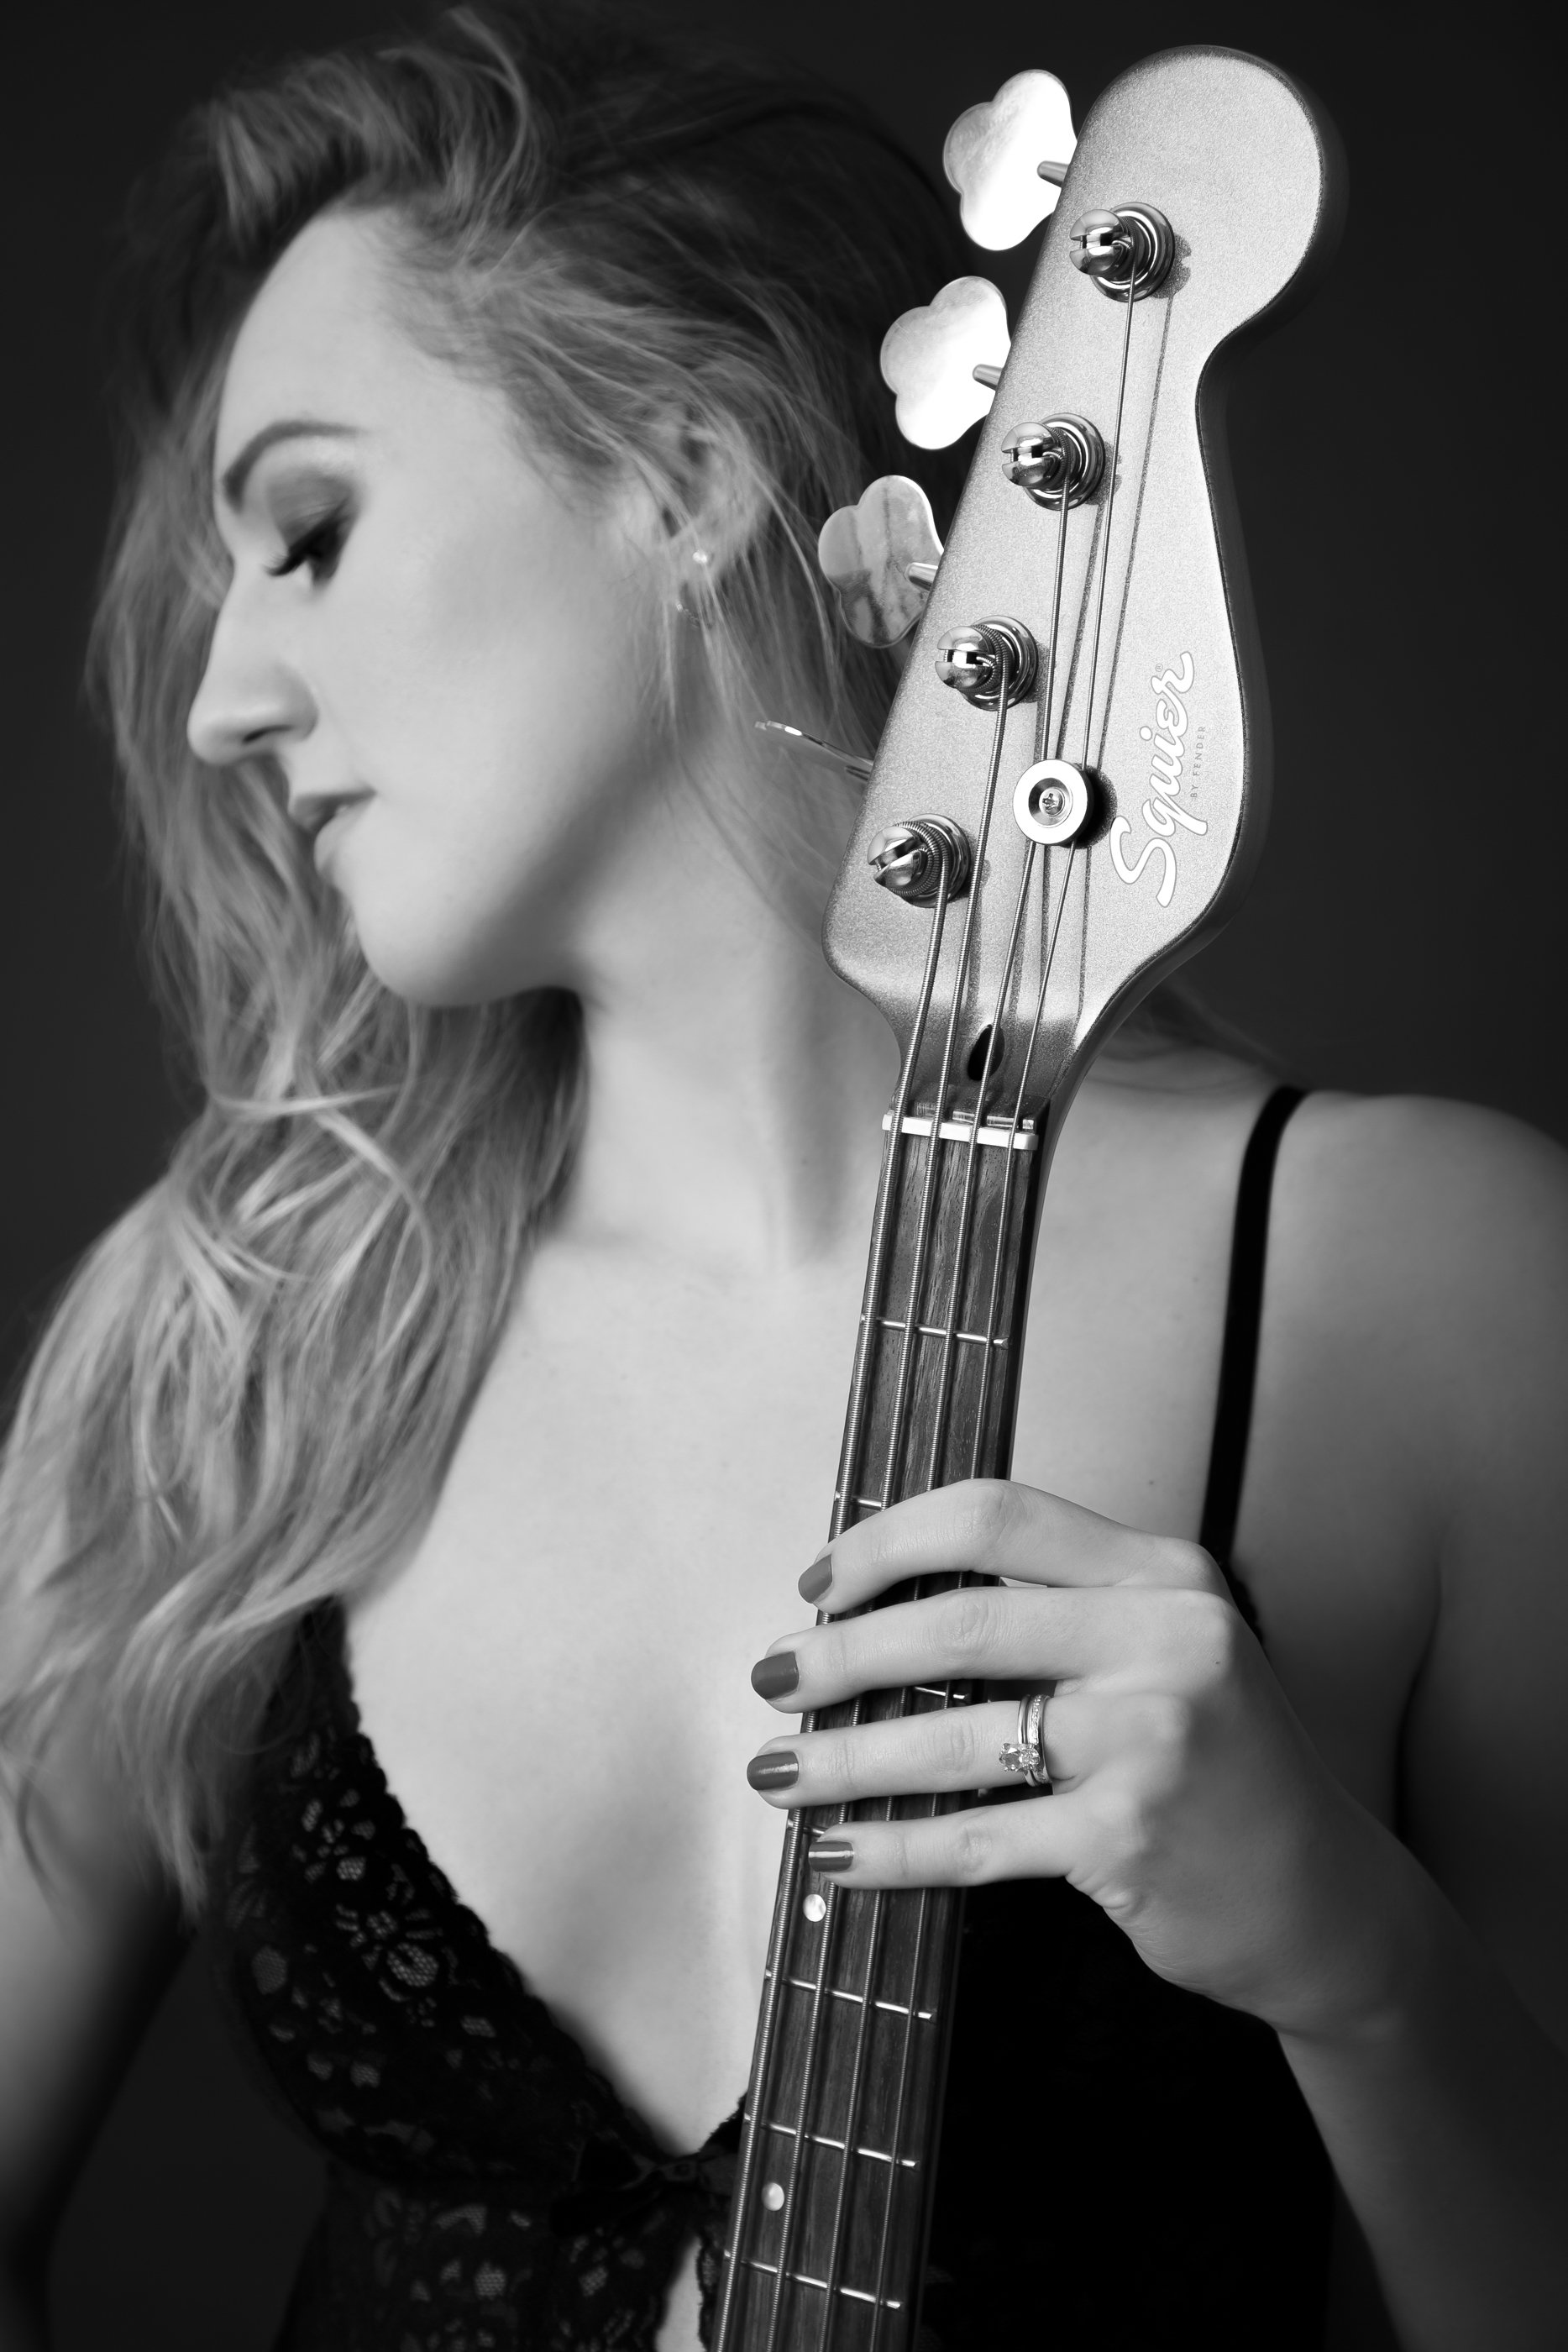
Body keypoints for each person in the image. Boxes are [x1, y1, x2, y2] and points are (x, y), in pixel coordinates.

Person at [2, 5, 1565, 2347]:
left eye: (308, 533)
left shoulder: (1420, 1287)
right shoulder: (227, 1331)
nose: (222, 698)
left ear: (687, 466)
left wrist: (1356, 1969)